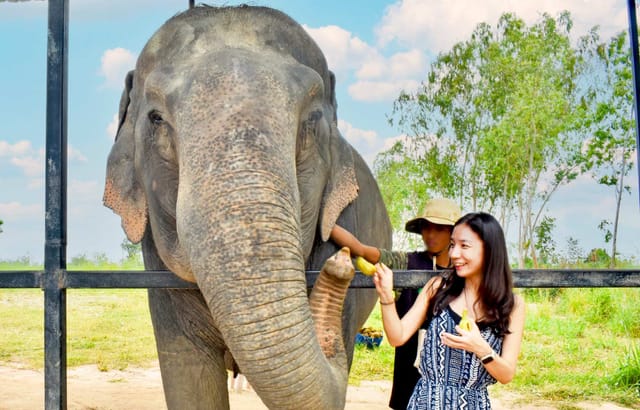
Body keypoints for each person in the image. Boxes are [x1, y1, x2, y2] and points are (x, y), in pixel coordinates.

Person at [372, 212, 525, 409]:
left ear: (489, 250)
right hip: (426, 403)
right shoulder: (437, 288)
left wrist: (480, 347)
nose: (453, 254)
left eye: (464, 246)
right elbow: (397, 337)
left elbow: (506, 374)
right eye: (453, 244)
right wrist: (386, 297)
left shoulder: (513, 305)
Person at [330, 197, 461, 410]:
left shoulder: (464, 269)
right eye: (426, 228)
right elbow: (360, 250)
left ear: (453, 233)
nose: (430, 234)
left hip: (450, 366)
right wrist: (325, 224)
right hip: (410, 367)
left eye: (439, 228)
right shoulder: (405, 262)